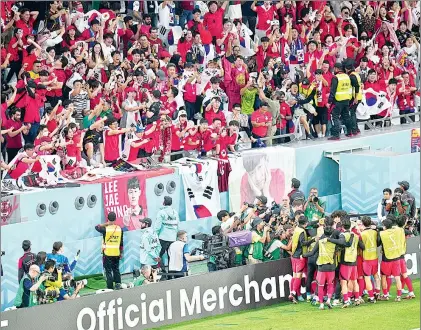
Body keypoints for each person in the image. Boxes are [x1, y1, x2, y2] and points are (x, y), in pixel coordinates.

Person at [326, 217, 365, 307]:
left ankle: (346, 300)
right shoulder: (356, 235)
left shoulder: (343, 235)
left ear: (342, 226)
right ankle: (357, 298)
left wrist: (330, 240)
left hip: (345, 261)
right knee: (354, 281)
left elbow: (342, 243)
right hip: (354, 261)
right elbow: (362, 247)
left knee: (343, 282)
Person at [303, 225, 338, 310]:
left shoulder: (320, 242)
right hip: (331, 267)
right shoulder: (334, 242)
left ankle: (321, 304)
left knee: (321, 286)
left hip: (322, 267)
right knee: (330, 285)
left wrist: (303, 255)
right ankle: (329, 300)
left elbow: (312, 253)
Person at [289, 215, 316, 303]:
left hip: (293, 255)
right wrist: (313, 240)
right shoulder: (302, 232)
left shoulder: (297, 229)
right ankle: (293, 293)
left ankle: (292, 293)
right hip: (300, 256)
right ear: (305, 223)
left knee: (294, 275)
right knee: (298, 276)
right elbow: (303, 243)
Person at [95, 212, 123, 290]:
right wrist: (121, 252)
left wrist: (105, 224)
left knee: (108, 271)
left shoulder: (105, 229)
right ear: (115, 219)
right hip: (116, 253)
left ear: (108, 219)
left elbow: (96, 227)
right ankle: (118, 284)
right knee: (116, 269)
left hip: (107, 253)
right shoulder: (119, 229)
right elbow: (121, 242)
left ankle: (110, 286)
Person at [378, 218, 403, 302]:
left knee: (384, 276)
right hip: (396, 257)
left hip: (386, 259)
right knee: (397, 278)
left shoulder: (382, 234)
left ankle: (385, 295)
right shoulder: (397, 231)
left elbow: (378, 243)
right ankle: (399, 296)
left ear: (385, 226)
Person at [153, 196, 180, 272]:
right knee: (171, 256)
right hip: (173, 238)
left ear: (163, 203)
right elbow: (178, 225)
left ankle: (163, 273)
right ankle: (172, 273)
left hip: (163, 238)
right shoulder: (175, 213)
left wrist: (155, 236)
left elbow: (157, 227)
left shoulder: (161, 212)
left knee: (158, 255)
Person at [328, 62, 352, 140]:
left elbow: (333, 90)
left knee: (335, 117)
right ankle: (349, 132)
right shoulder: (347, 76)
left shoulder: (336, 77)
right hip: (346, 99)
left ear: (336, 69)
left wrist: (329, 101)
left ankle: (336, 135)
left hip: (338, 100)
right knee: (346, 116)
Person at [360, 216, 381, 303]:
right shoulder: (375, 232)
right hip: (375, 257)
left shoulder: (362, 234)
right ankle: (377, 293)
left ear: (362, 223)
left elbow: (362, 248)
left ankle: (371, 297)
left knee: (367, 279)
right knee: (376, 276)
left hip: (367, 259)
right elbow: (378, 242)